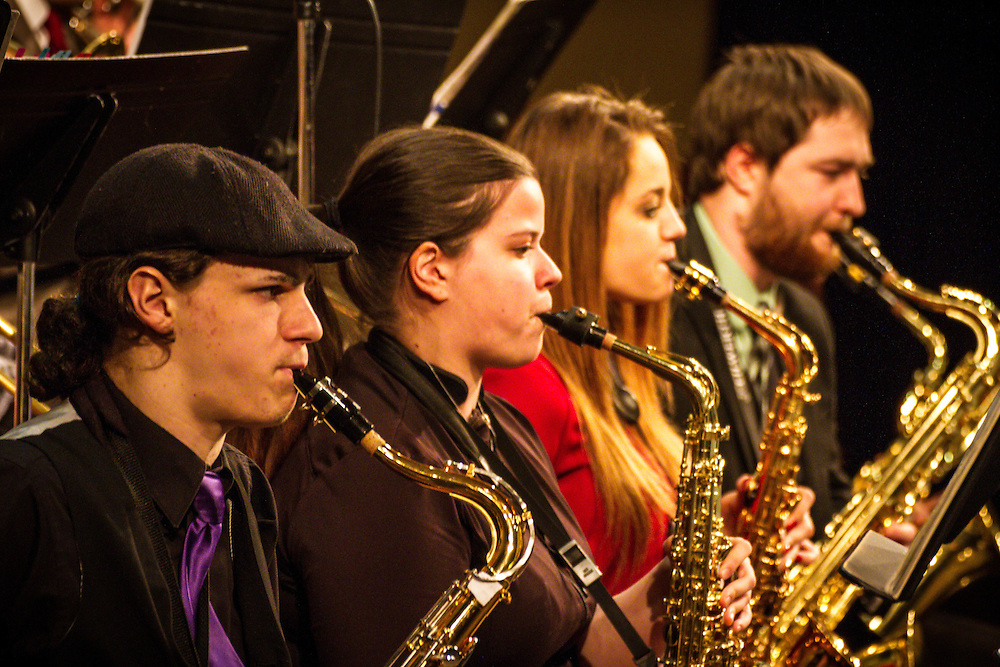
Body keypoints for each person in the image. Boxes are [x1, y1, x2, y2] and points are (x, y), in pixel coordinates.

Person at [266, 125, 755, 666]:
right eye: (523, 248)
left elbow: (578, 641)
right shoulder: (371, 466)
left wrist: (669, 592)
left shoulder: (499, 420)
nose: (553, 272)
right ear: (432, 270)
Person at [0, 143, 355, 664]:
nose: (311, 326)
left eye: (304, 290)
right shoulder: (28, 487)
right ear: (153, 301)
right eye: (271, 290)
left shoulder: (240, 484)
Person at [482, 88, 817, 594]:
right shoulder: (525, 381)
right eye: (649, 208)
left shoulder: (617, 372)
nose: (677, 228)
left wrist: (724, 532)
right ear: (582, 222)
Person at [670, 44, 864, 532]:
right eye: (833, 172)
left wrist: (870, 543)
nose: (855, 201)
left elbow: (822, 489)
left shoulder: (806, 316)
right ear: (744, 168)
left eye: (860, 174)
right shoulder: (652, 292)